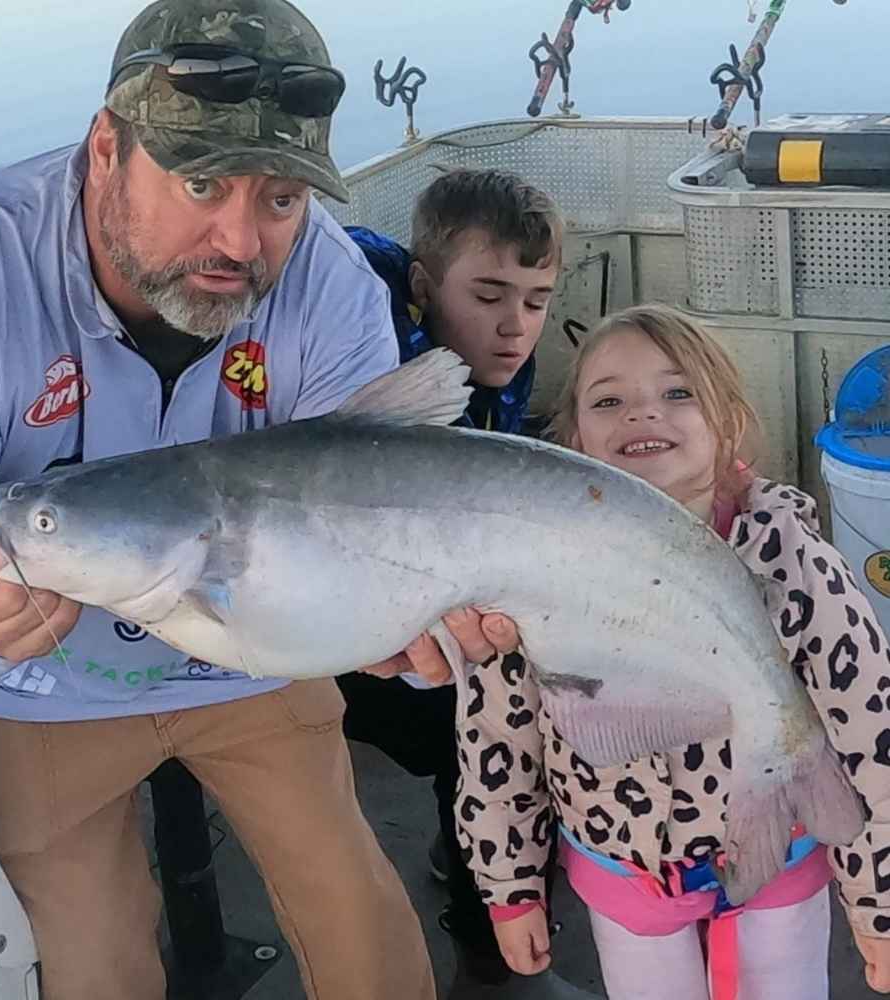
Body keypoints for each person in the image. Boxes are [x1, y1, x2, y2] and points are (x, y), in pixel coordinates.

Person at [0, 1, 518, 996]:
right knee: (88, 963)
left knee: (364, 921)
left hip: (254, 651)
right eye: (199, 182)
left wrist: (402, 630)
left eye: (279, 198)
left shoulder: (331, 284)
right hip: (29, 687)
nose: (241, 239)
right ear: (105, 147)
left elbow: (383, 521)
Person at [453, 304, 890, 1000]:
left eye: (679, 392)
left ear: (729, 424)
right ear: (570, 444)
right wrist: (510, 887)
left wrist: (878, 910)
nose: (642, 413)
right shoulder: (531, 579)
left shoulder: (799, 566)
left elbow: (874, 743)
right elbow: (496, 740)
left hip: (781, 864)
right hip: (628, 886)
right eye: (608, 400)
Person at [336, 170, 566, 996]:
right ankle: (488, 955)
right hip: (347, 641)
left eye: (537, 301)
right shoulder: (372, 345)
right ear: (425, 288)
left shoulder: (499, 373)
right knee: (481, 733)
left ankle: (479, 851)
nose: (515, 328)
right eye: (490, 295)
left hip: (430, 606)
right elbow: (342, 254)